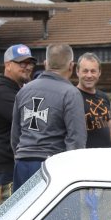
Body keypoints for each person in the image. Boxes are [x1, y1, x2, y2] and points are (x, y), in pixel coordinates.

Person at [12, 43, 85, 190]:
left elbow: (15, 135)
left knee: (24, 205)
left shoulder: (24, 91)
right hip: (52, 166)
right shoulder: (70, 93)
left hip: (22, 162)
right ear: (71, 66)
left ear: (46, 64)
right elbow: (76, 140)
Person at [76, 52, 111, 220]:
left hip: (108, 169)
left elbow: (110, 131)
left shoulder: (103, 97)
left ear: (99, 73)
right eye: (85, 71)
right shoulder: (72, 97)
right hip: (85, 171)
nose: (89, 75)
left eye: (93, 71)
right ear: (77, 72)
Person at [0, 44, 35, 205]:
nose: (27, 67)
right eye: (22, 63)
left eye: (30, 63)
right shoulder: (1, 93)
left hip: (20, 163)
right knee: (9, 215)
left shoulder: (20, 90)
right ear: (8, 65)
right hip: (7, 167)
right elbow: (28, 121)